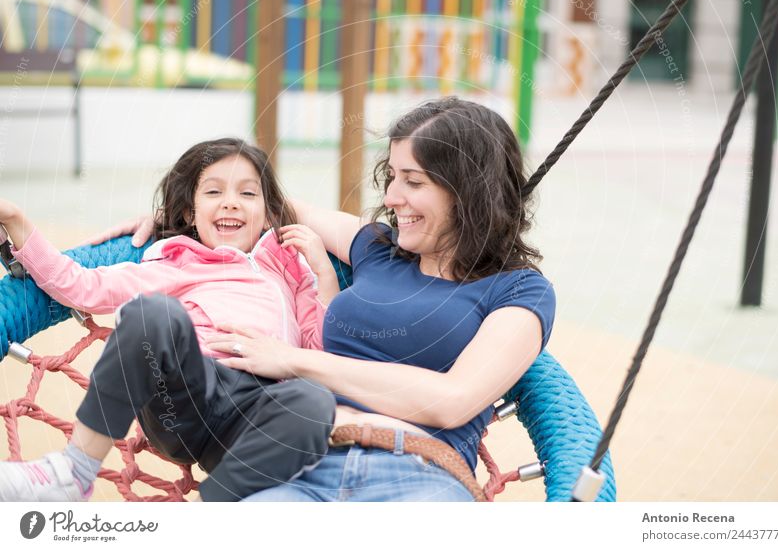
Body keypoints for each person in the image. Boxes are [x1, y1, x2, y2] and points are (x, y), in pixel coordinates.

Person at [84, 97, 556, 502]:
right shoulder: (377, 248)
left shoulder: (517, 290)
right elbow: (268, 206)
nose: (391, 196)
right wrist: (174, 215)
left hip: (417, 473)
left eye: (413, 182)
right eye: (391, 177)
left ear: (469, 192)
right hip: (298, 463)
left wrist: (294, 362)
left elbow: (452, 400)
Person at [0, 137, 338, 502]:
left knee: (316, 401)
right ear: (190, 213)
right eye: (213, 191)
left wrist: (325, 274)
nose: (230, 202)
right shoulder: (176, 262)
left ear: (270, 213)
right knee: (153, 314)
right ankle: (73, 472)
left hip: (262, 411)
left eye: (248, 193)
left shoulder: (291, 272)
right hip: (188, 396)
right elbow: (80, 286)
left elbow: (321, 353)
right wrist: (17, 222)